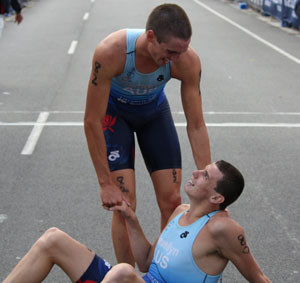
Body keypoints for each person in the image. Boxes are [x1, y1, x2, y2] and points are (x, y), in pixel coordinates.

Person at [84, 3, 211, 265]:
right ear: (151, 36)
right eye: (170, 52)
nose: (175, 58)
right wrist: (105, 183)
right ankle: (125, 276)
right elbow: (92, 121)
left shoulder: (187, 60)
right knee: (124, 204)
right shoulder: (111, 52)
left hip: (154, 115)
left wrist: (208, 180)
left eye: (182, 51)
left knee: (172, 201)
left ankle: (161, 271)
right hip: (114, 116)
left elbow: (196, 124)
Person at [4, 160, 271, 283]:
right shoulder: (180, 211)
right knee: (53, 238)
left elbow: (257, 277)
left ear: (216, 196)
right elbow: (146, 262)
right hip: (139, 280)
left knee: (122, 272)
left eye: (204, 175)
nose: (194, 172)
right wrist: (131, 220)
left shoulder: (222, 228)